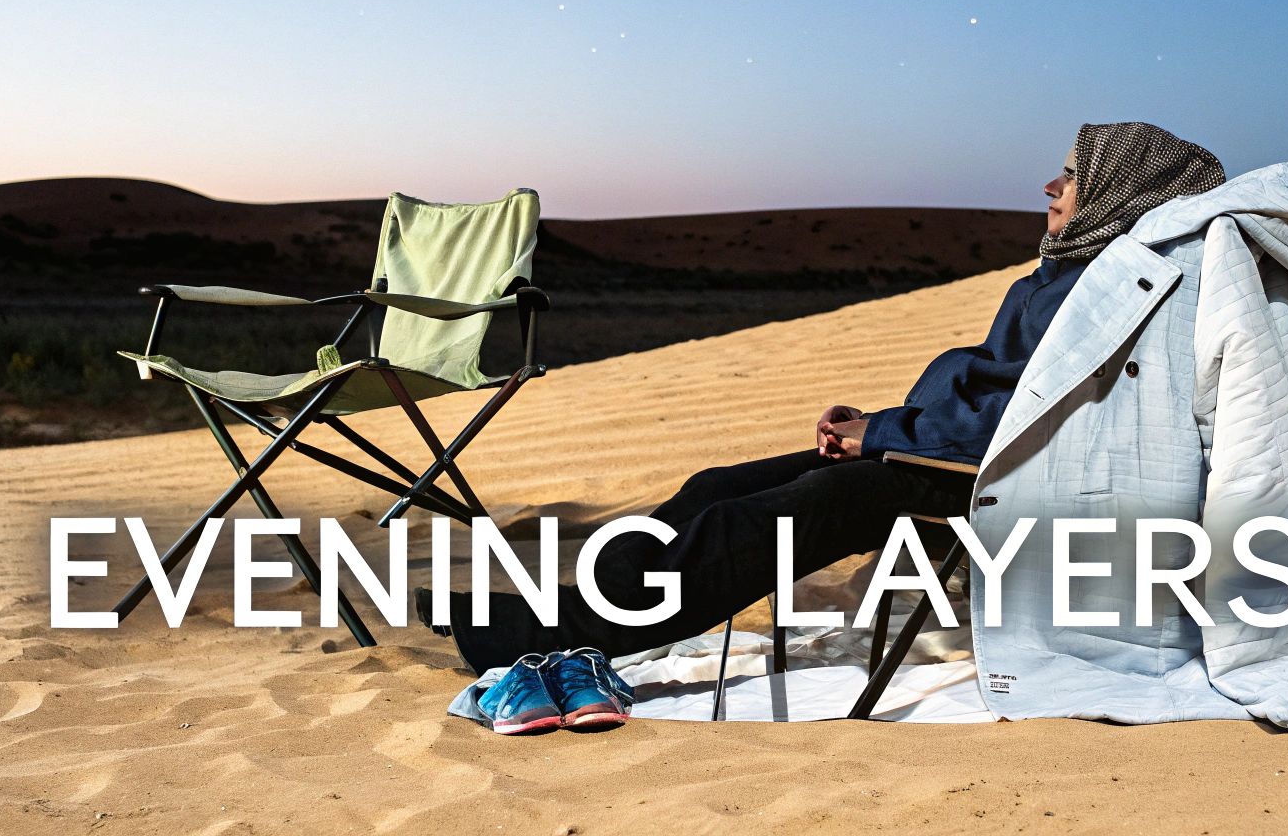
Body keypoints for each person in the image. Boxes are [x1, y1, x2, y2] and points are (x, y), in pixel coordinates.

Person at [424, 122, 1228, 673]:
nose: (1050, 185)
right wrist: (883, 426)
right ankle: (587, 609)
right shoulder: (1067, 275)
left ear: (1123, 192)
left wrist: (883, 434)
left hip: (999, 477)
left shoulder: (1119, 296)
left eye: (1074, 176)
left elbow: (1042, 419)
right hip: (940, 449)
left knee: (790, 510)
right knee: (713, 487)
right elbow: (1001, 392)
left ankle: (566, 634)